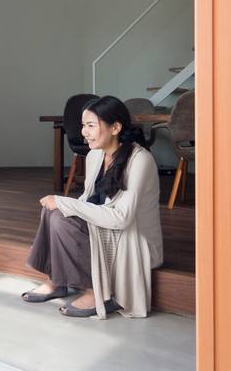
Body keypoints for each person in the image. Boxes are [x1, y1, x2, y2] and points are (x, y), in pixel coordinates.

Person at [22, 96, 163, 318]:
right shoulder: (95, 155)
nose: (84, 132)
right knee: (53, 211)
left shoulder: (140, 160)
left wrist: (64, 202)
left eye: (90, 126)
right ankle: (57, 281)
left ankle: (97, 292)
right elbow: (89, 200)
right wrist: (62, 204)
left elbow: (121, 218)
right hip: (104, 228)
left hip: (129, 238)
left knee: (60, 213)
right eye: (83, 125)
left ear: (115, 127)